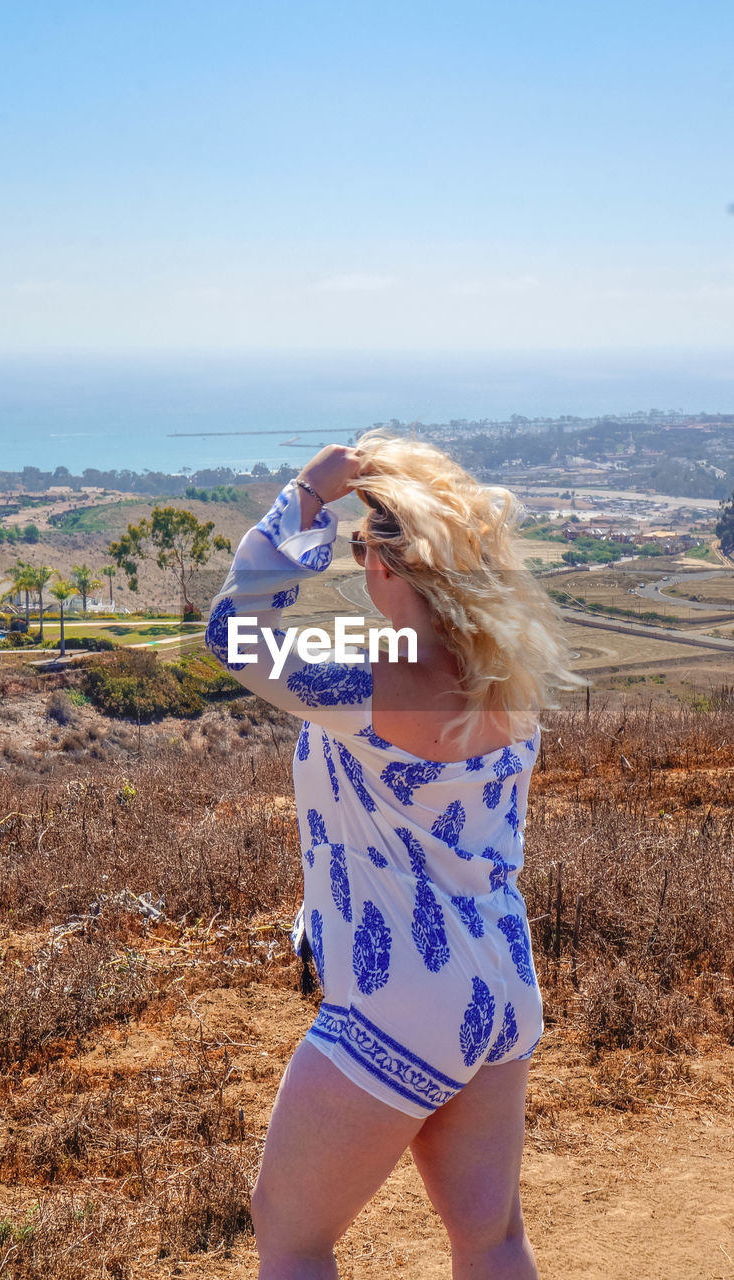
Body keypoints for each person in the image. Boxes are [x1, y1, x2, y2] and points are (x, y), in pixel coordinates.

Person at [205, 431, 581, 1280]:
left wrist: (306, 493)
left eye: (360, 545)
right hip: (502, 980)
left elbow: (234, 633)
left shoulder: (374, 679)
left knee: (291, 1232)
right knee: (489, 1240)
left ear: (382, 565)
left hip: (402, 995)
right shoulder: (506, 675)